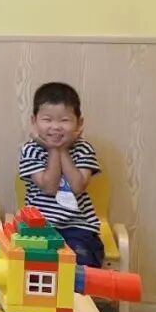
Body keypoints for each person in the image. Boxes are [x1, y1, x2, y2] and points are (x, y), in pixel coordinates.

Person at [18, 82, 103, 267]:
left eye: (64, 120)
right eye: (47, 120)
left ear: (79, 123)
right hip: (39, 227)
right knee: (34, 267)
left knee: (79, 265)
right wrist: (52, 150)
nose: (56, 127)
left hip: (78, 226)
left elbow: (78, 186)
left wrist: (62, 149)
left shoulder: (84, 149)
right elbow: (49, 187)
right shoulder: (30, 150)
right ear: (34, 121)